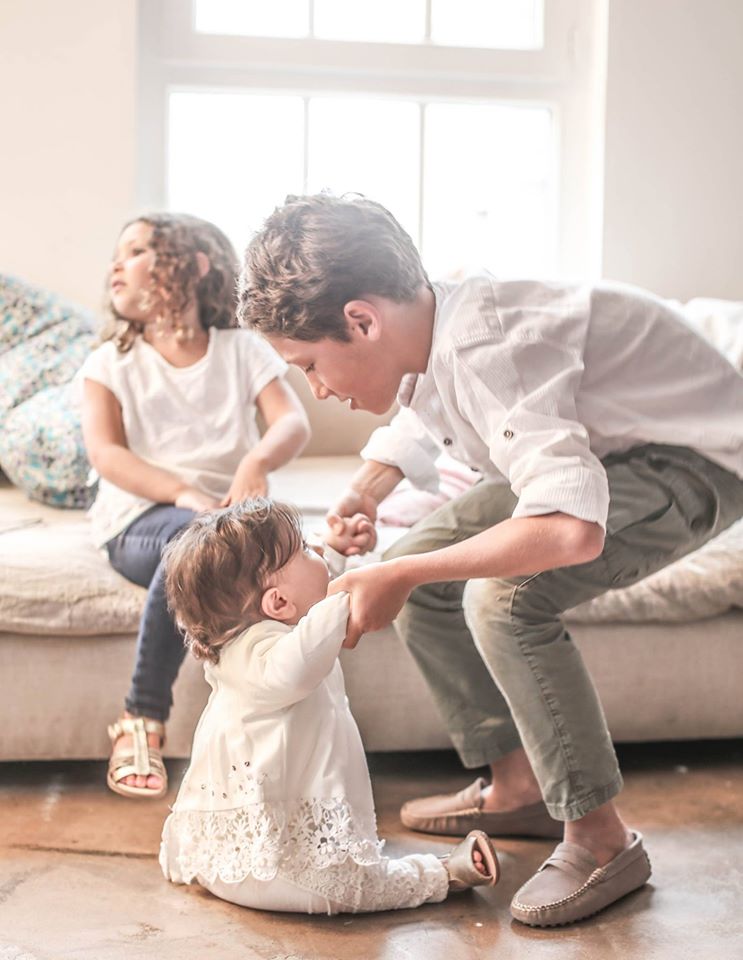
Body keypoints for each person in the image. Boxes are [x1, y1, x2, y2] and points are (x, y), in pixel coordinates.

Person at [236, 192, 743, 927]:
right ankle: (519, 786)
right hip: (609, 448)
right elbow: (426, 398)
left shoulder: (486, 346)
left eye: (309, 366)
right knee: (425, 570)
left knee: (503, 597)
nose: (316, 389)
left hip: (695, 459)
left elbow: (570, 531)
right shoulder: (437, 317)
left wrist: (397, 574)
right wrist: (369, 488)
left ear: (361, 319)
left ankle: (602, 840)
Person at [158, 498, 498, 914]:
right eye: (304, 546)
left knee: (339, 877)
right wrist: (351, 595)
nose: (315, 550)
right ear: (277, 604)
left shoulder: (247, 642)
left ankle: (206, 865)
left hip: (236, 865)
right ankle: (442, 873)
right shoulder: (267, 657)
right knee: (358, 887)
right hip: (297, 877)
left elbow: (308, 603)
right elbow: (306, 641)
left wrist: (334, 553)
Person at [80, 212, 311, 800]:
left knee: (257, 561)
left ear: (194, 265)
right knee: (191, 541)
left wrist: (255, 463)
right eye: (118, 251)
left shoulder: (239, 350)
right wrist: (185, 495)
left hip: (225, 520)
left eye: (135, 250)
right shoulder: (111, 361)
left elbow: (291, 421)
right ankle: (141, 719)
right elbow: (106, 453)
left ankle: (257, 736)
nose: (116, 262)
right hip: (140, 520)